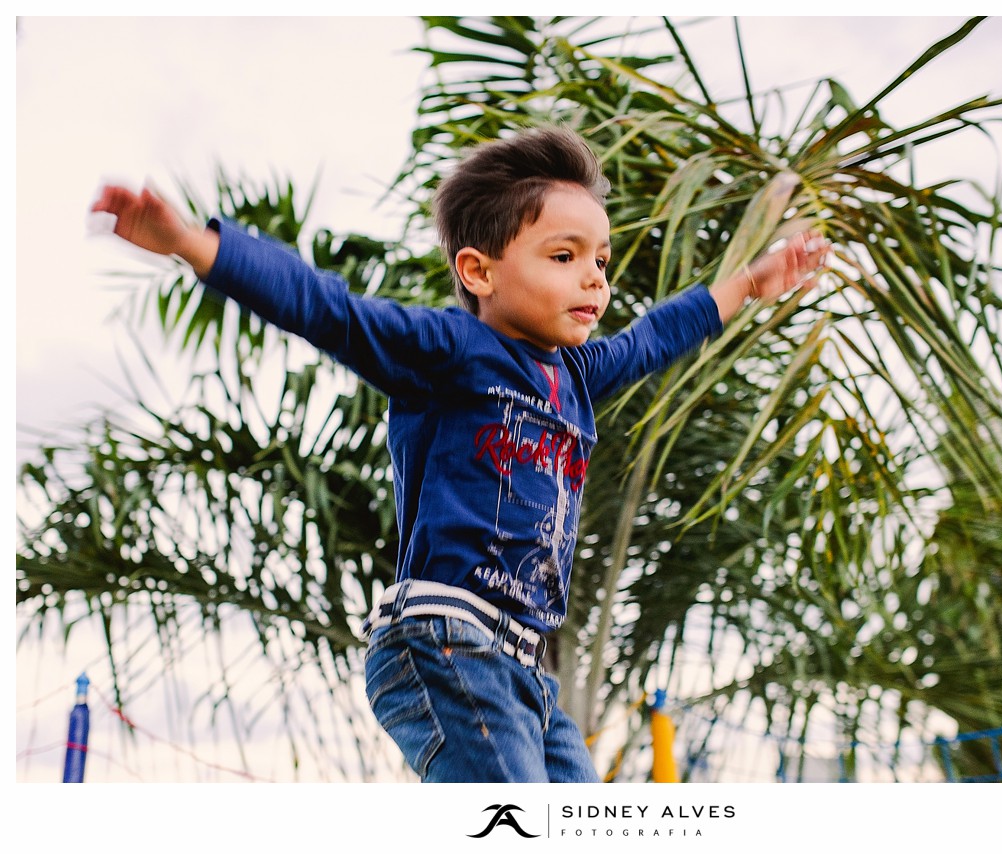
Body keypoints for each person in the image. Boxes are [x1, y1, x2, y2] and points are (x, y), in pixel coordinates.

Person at [90, 126, 828, 783]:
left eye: (600, 260)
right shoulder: (450, 350)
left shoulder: (575, 376)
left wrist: (754, 282)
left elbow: (655, 337)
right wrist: (193, 243)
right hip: (444, 640)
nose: (595, 278)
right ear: (479, 272)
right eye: (564, 256)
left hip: (525, 676)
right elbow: (329, 310)